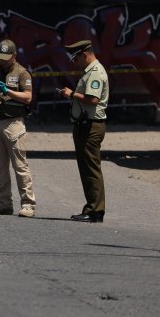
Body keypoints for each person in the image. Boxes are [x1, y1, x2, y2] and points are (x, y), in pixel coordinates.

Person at [0, 39, 37, 218]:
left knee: (20, 166)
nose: (2, 61)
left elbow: (28, 97)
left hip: (13, 123)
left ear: (14, 56)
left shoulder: (22, 73)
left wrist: (7, 91)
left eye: (6, 58)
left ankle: (28, 204)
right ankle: (4, 203)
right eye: (0, 57)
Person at [60, 40, 110, 223]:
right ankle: (93, 207)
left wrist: (72, 94)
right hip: (85, 124)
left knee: (91, 169)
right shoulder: (89, 71)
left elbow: (93, 99)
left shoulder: (95, 72)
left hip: (91, 126)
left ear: (85, 54)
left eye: (76, 58)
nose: (75, 63)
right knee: (87, 168)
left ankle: (95, 210)